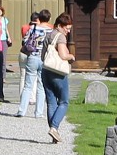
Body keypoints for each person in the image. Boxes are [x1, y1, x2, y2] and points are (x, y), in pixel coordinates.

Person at [40, 13, 75, 143]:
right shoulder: (60, 37)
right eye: (67, 28)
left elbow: (43, 55)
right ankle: (54, 128)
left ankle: (54, 132)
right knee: (64, 101)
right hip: (58, 72)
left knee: (51, 102)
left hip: (45, 71)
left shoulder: (48, 35)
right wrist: (71, 56)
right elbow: (62, 55)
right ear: (60, 26)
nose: (68, 31)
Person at [16, 9, 52, 118]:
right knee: (41, 87)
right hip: (44, 59)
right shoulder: (50, 31)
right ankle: (38, 113)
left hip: (32, 57)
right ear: (49, 19)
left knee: (28, 86)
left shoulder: (33, 28)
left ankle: (21, 111)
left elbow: (25, 40)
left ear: (39, 18)